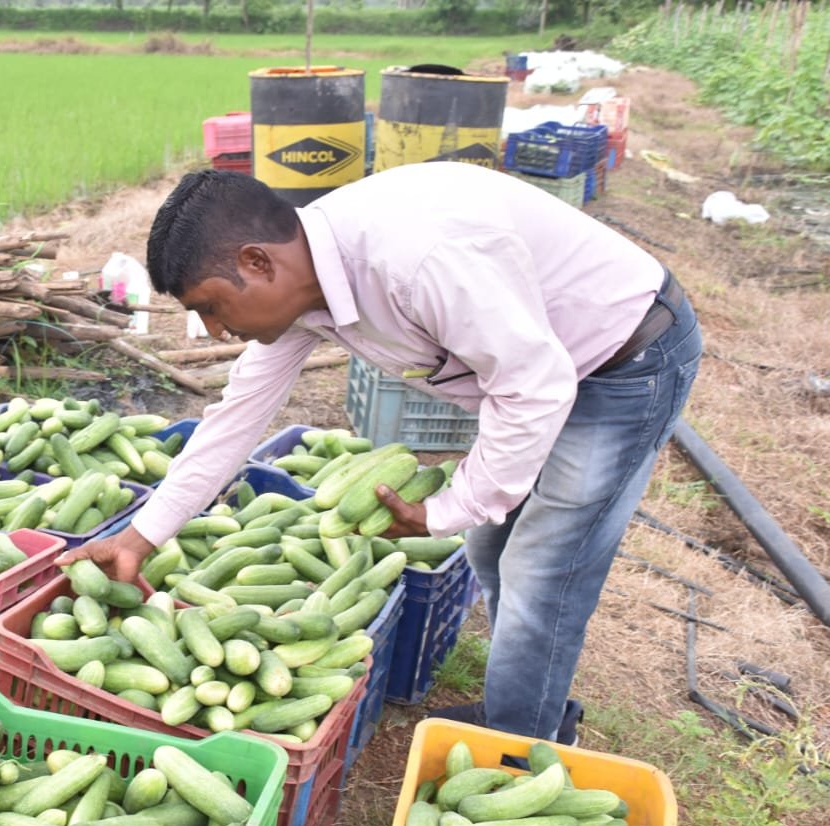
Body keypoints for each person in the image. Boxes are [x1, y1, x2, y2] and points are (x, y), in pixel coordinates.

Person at [57, 162, 702, 744]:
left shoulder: (413, 259)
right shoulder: (307, 286)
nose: (219, 332)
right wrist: (141, 538)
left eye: (213, 309)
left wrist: (449, 506)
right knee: (489, 546)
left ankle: (518, 743)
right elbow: (235, 419)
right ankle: (532, 705)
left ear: (256, 262)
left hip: (625, 357)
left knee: (544, 565)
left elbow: (535, 384)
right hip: (542, 362)